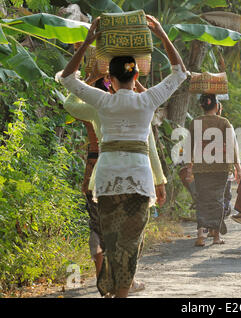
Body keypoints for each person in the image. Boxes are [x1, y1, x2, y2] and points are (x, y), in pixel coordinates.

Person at [60, 15, 187, 298]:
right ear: (137, 76)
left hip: (106, 181)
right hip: (139, 182)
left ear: (109, 79)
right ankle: (120, 292)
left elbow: (68, 79)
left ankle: (114, 288)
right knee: (131, 242)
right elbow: (180, 73)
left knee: (113, 241)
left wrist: (89, 42)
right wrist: (162, 34)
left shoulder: (102, 100)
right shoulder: (148, 100)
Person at [63, 72, 168, 293]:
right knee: (130, 238)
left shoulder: (98, 106)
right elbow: (150, 149)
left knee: (101, 230)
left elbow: (70, 103)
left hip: (99, 176)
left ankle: (108, 276)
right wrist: (159, 181)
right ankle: (124, 283)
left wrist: (89, 77)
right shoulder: (141, 111)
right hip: (135, 179)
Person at [189, 94, 241, 247]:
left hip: (200, 167)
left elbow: (189, 145)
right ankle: (216, 236)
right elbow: (232, 145)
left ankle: (200, 236)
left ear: (201, 106)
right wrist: (237, 165)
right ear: (217, 107)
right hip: (220, 167)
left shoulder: (195, 122)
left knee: (202, 199)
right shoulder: (224, 122)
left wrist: (188, 165)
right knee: (217, 199)